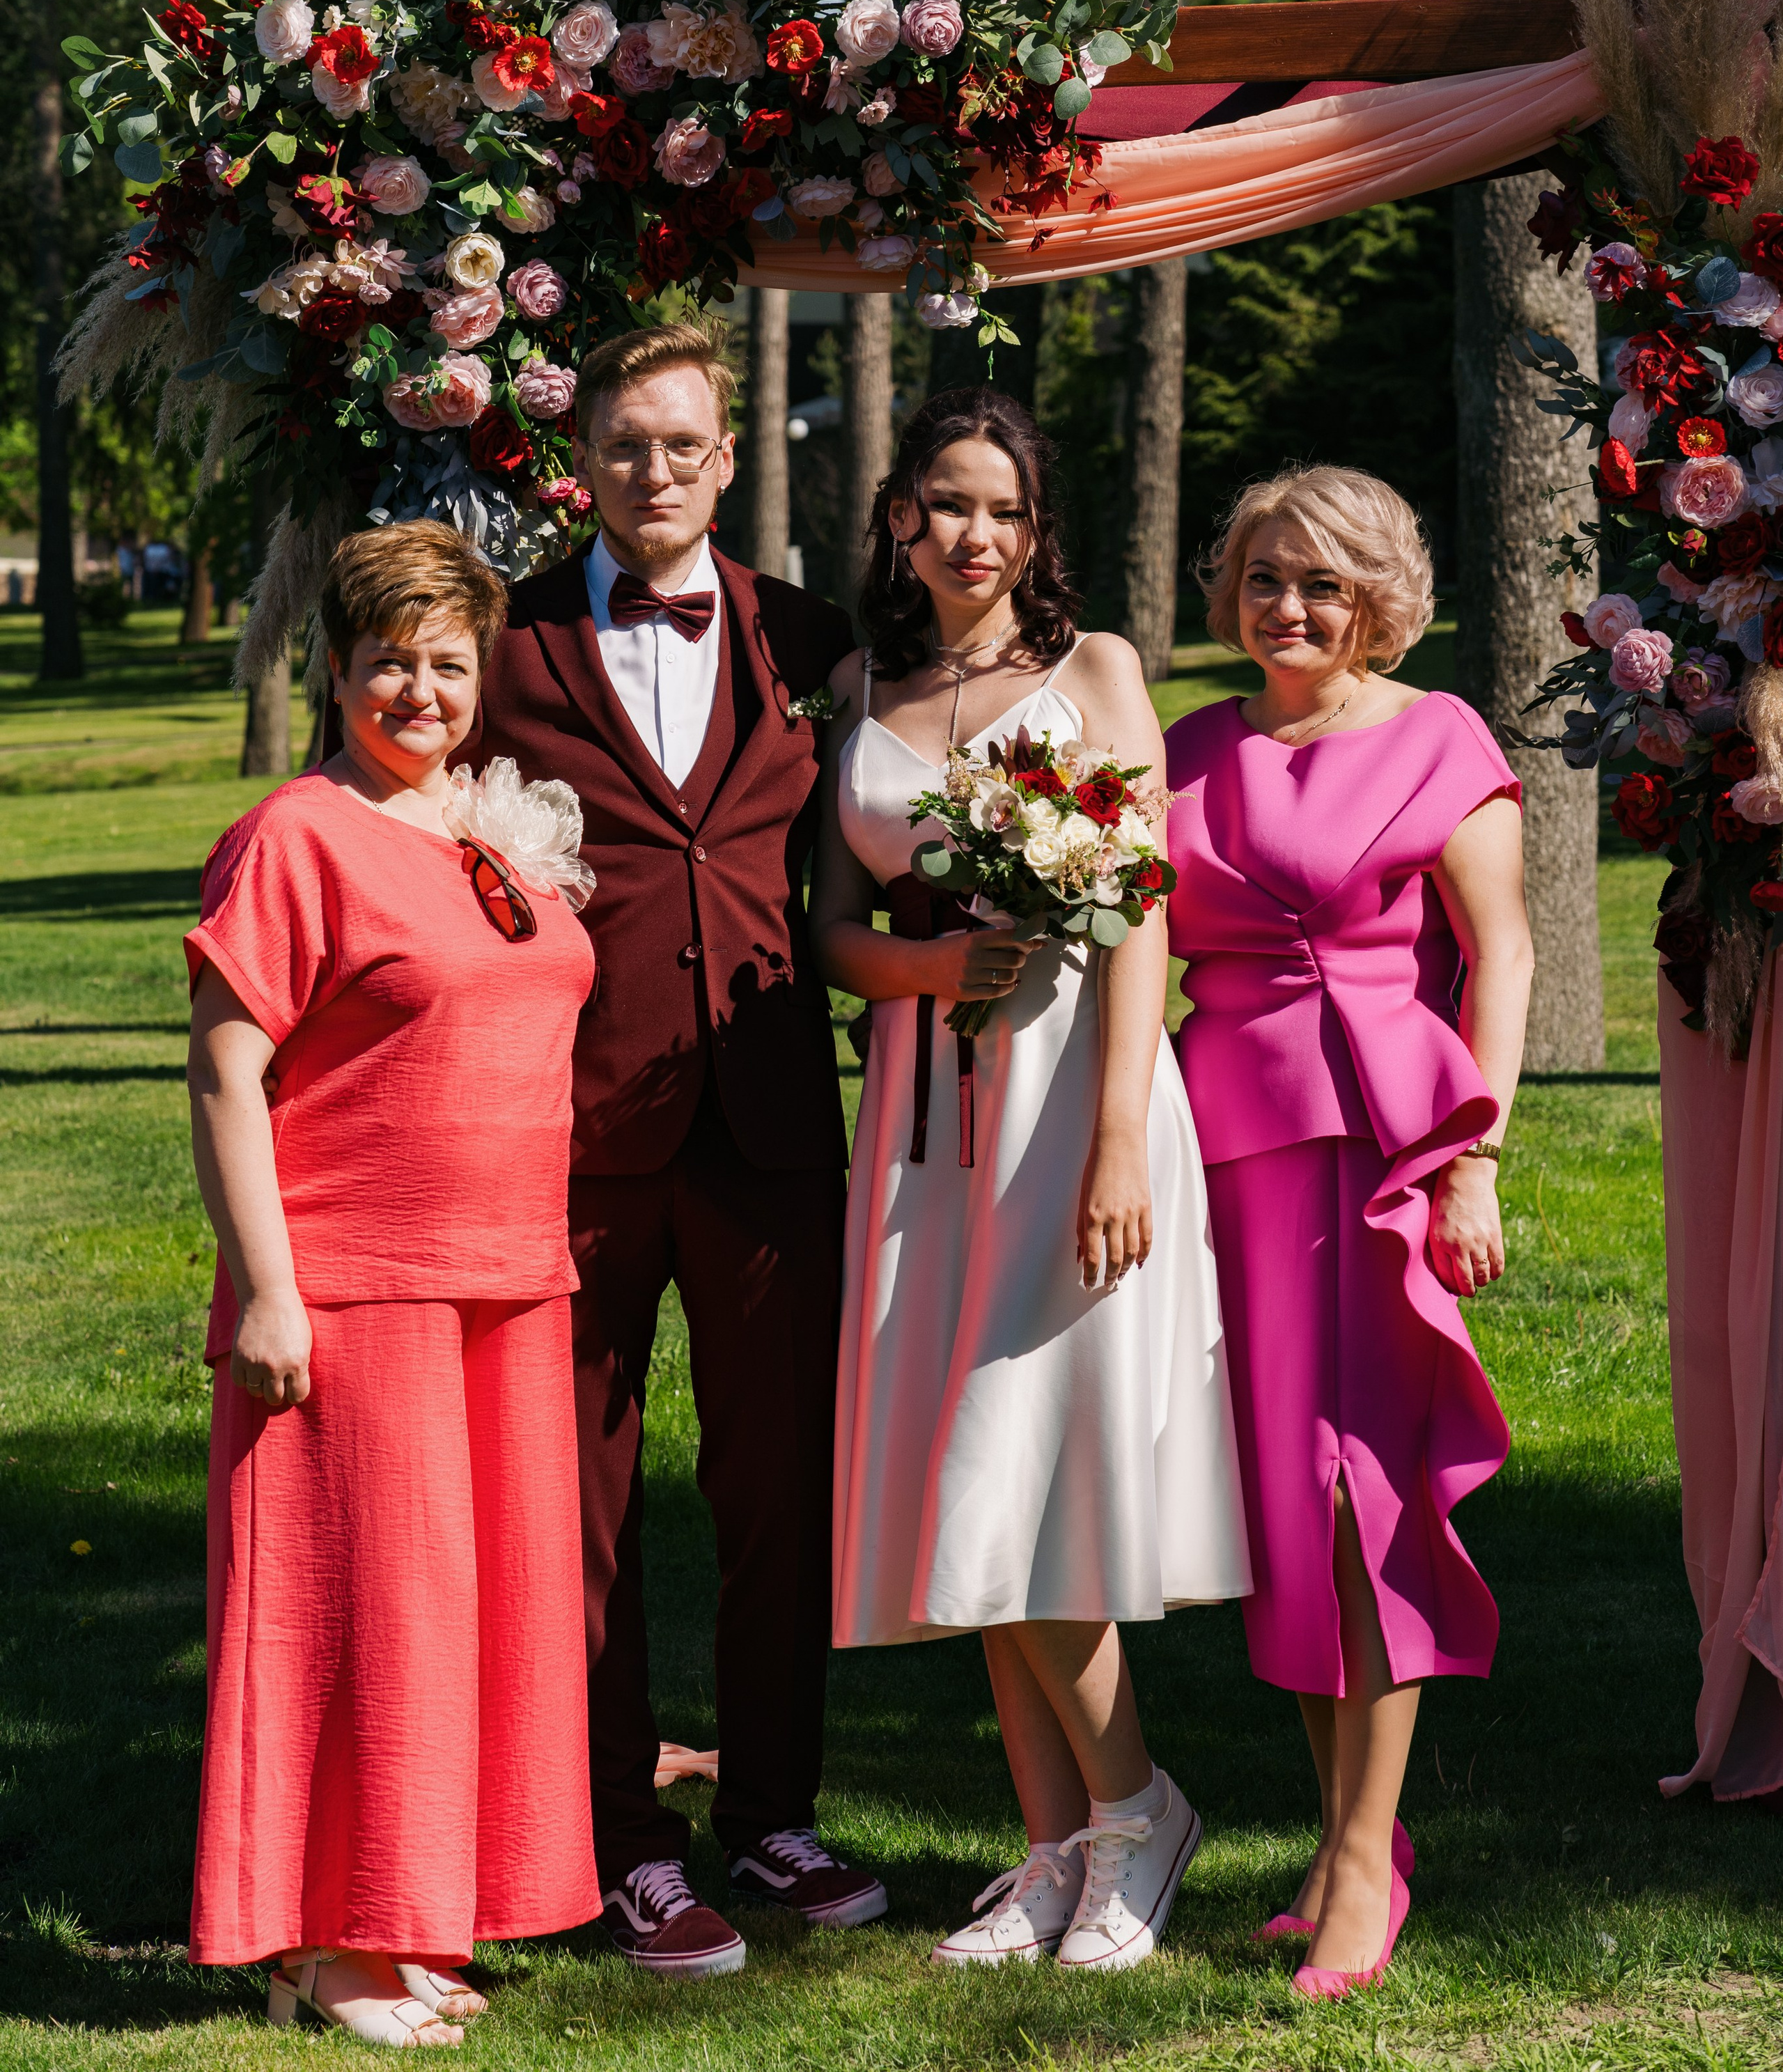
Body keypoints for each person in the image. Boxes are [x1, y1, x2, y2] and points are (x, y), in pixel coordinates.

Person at [810, 387, 1251, 1973]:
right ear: (899, 518)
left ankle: (1141, 1814)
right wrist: (923, 963)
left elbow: (1138, 911)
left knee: (1020, 1460)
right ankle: (1051, 1853)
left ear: (1032, 528)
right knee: (963, 1474)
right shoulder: (857, 687)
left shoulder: (1096, 675)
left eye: (999, 506)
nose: (970, 532)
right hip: (927, 1123)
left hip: (1074, 1104)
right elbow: (827, 938)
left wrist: (1122, 1134)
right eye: (943, 500)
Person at [465, 318, 885, 1979]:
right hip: (566, 1129)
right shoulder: (496, 650)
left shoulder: (812, 637)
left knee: (778, 1480)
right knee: (582, 1498)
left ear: (728, 459)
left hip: (771, 1120)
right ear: (581, 462)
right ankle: (620, 1836)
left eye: (684, 446)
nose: (654, 472)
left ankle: (772, 1807)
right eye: (624, 445)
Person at [185, 521, 600, 2047]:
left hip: (507, 1281)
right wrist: (268, 1294)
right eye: (387, 665)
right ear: (335, 671)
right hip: (358, 1283)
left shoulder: (479, 830)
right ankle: (336, 1943)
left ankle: (405, 1914)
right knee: (364, 1616)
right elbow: (228, 1076)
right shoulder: (296, 835)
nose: (418, 693)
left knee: (468, 1625)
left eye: (445, 664)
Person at [1165, 465, 1532, 2001]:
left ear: (1378, 594)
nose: (1290, 609)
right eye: (1263, 578)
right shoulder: (1186, 746)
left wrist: (1473, 1160)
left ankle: (1369, 1863)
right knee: (1278, 1508)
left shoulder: (1438, 736)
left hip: (1380, 1144)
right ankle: (1334, 1843)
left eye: (1321, 583)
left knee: (1358, 1497)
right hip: (1219, 1148)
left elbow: (1497, 952)